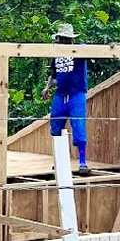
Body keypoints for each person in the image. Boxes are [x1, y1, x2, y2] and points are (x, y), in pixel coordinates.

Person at [43, 24, 88, 172]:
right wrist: (47, 88)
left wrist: (110, 48)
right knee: (55, 127)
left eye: (66, 39)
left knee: (79, 126)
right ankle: (59, 161)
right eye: (62, 39)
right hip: (60, 94)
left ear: (71, 40)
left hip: (77, 94)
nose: (64, 41)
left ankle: (82, 162)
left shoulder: (80, 50)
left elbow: (94, 52)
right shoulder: (56, 54)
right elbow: (53, 75)